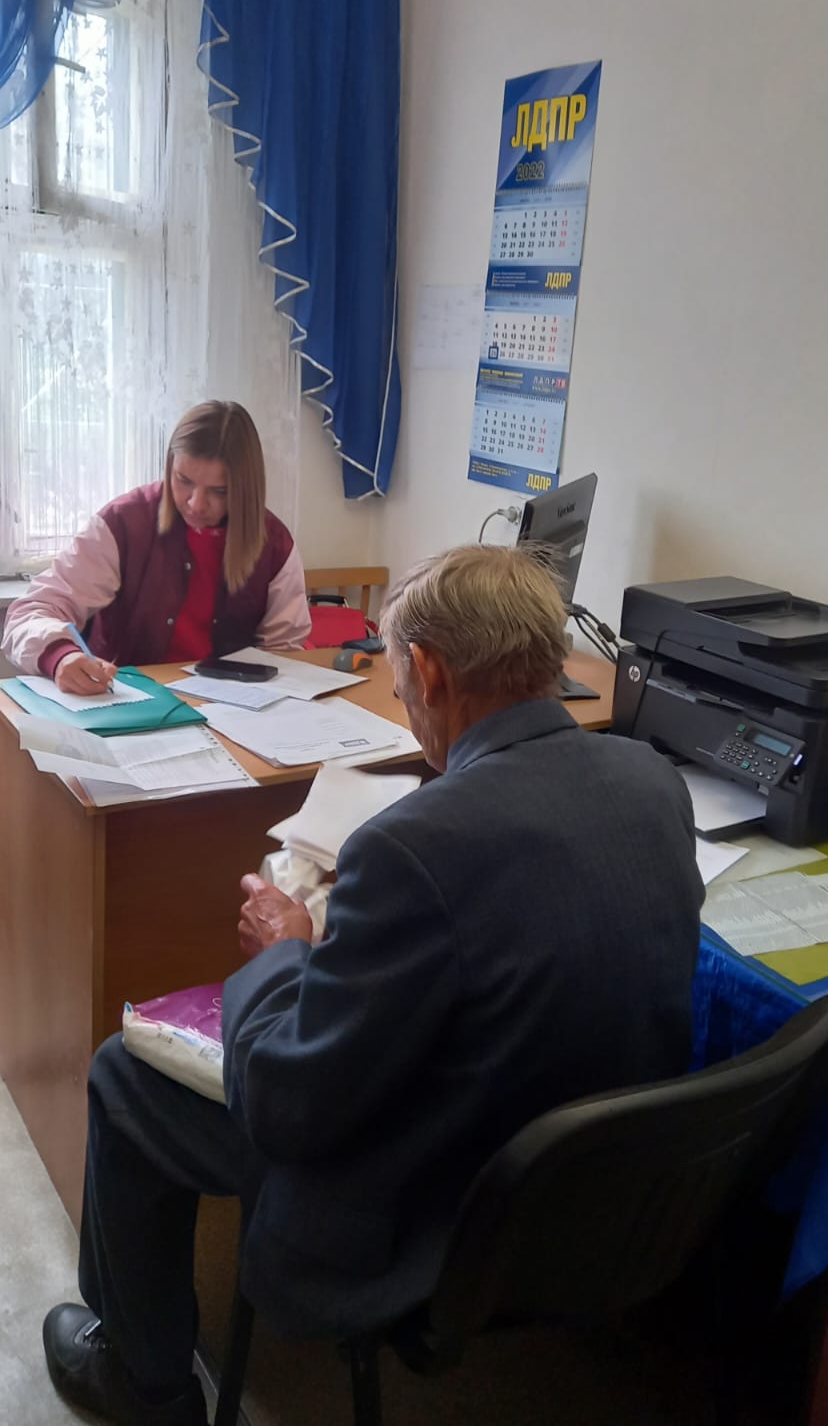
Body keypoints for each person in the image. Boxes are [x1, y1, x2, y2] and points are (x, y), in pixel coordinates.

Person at [42, 544, 705, 1426]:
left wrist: (284, 951)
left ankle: (144, 1380)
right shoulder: (652, 780)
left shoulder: (411, 847)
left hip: (432, 1212)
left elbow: (284, 1106)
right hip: (593, 1194)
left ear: (427, 672)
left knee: (123, 1073)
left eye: (398, 679)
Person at [2, 400, 310, 695]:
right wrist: (61, 657)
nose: (196, 504)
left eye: (219, 491)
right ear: (169, 466)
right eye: (183, 480)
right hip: (126, 703)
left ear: (245, 489)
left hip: (233, 711)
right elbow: (29, 613)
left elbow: (283, 651)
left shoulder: (274, 543)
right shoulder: (123, 522)